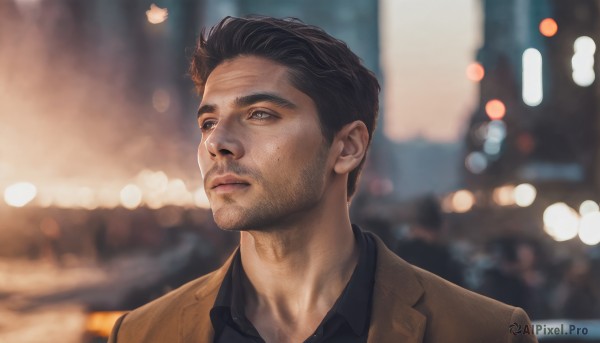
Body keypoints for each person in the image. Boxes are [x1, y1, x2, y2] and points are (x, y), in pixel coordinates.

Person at [108, 16, 536, 343]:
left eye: (260, 114)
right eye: (207, 122)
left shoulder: (487, 331)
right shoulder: (141, 333)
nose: (218, 142)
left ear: (347, 147)